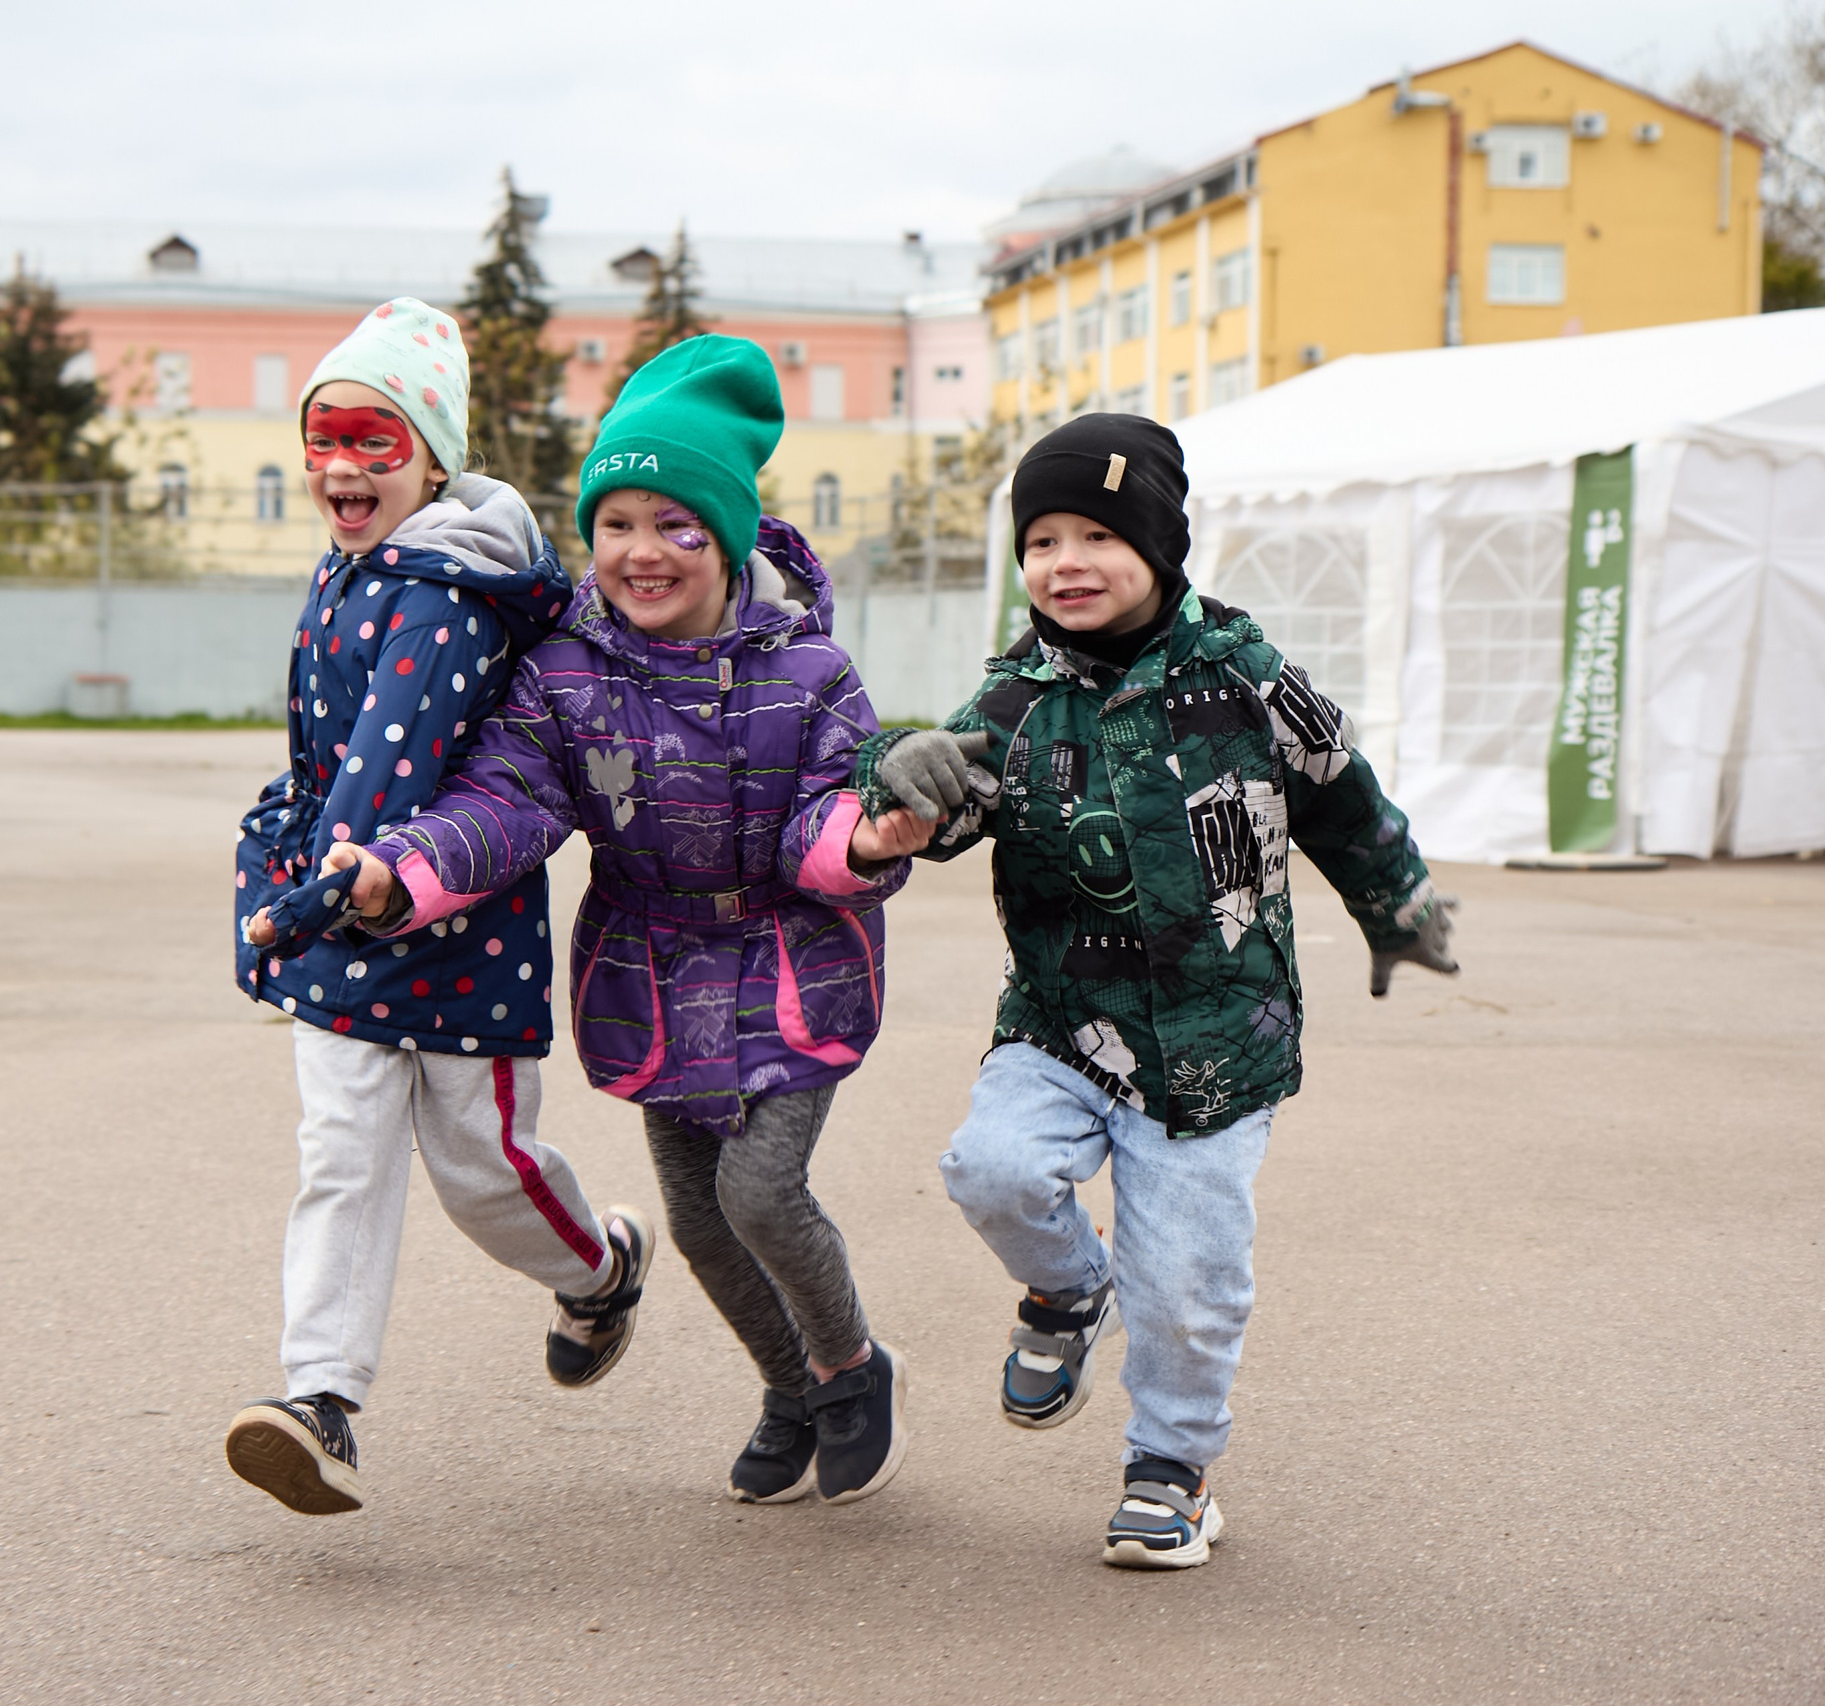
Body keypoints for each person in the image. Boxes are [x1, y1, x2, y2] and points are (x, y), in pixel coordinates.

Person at [326, 337, 928, 1506]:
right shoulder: (560, 671)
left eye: (676, 525)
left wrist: (863, 838)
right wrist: (402, 870)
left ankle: (850, 1364)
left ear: (728, 538)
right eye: (616, 523)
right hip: (651, 967)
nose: (642, 552)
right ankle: (786, 1385)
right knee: (699, 1226)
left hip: (793, 955)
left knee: (760, 1192)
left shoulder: (809, 668)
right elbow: (505, 798)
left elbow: (834, 804)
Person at [854, 413, 1459, 1567]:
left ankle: (1170, 1468)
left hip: (1217, 1043)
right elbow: (935, 809)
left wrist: (1401, 910)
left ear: (1161, 547)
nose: (1064, 562)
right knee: (990, 1169)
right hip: (1058, 1022)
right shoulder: (1015, 698)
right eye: (1041, 540)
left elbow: (1345, 801)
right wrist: (900, 765)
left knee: (1184, 1284)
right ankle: (1069, 1291)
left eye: (1096, 535)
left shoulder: (1250, 679)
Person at [224, 299, 651, 1518]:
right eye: (323, 440)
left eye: (373, 439)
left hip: (455, 922)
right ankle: (321, 1402)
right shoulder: (349, 569)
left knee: (480, 1165)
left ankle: (602, 1267)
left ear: (430, 457)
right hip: (336, 913)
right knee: (342, 1156)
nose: (343, 467)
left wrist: (307, 893)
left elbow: (387, 769)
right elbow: (317, 758)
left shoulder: (444, 590)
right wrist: (277, 865)